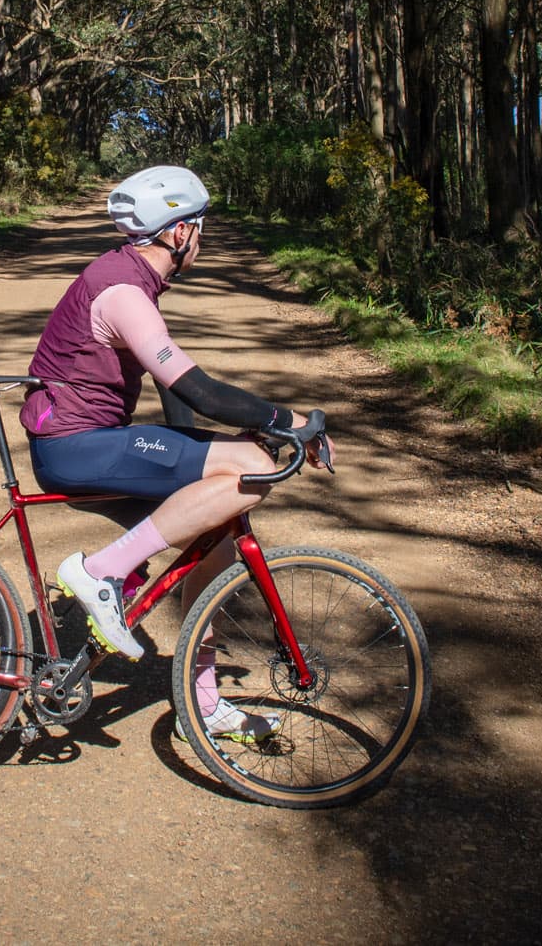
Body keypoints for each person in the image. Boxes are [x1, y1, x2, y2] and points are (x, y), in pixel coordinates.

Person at [23, 165, 330, 743]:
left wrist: (206, 454)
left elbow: (174, 397)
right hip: (74, 446)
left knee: (213, 529)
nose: (203, 239)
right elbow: (199, 390)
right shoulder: (121, 291)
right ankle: (99, 572)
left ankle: (204, 703)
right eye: (202, 229)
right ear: (181, 232)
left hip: (87, 441)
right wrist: (290, 423)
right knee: (256, 466)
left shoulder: (134, 281)